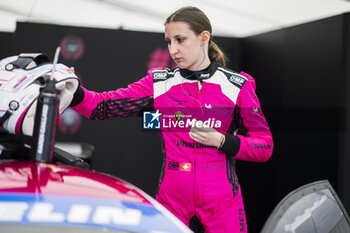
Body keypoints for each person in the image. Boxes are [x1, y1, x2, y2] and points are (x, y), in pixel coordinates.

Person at [69, 6, 273, 233]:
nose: (173, 50)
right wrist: (74, 92)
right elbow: (103, 106)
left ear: (203, 38)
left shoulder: (238, 85)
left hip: (223, 203)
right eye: (168, 41)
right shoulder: (158, 83)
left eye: (180, 40)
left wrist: (222, 141)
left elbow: (264, 145)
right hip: (173, 200)